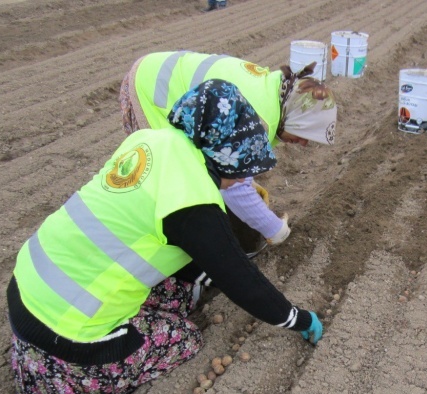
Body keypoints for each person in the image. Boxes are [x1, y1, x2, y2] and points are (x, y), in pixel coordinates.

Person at [7, 79, 324, 394]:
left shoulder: (150, 140)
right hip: (68, 350)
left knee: (179, 291)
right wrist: (297, 319)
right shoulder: (193, 197)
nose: (241, 179)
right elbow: (239, 279)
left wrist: (205, 273)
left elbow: (149, 234)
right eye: (242, 169)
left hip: (27, 298)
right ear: (226, 155)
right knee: (184, 337)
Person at [120, 51, 337, 247]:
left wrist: (246, 178)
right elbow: (233, 187)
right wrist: (276, 230)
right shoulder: (261, 118)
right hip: (151, 92)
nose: (304, 143)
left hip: (156, 69)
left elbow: (223, 150)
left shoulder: (279, 90)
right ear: (296, 118)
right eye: (304, 134)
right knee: (174, 175)